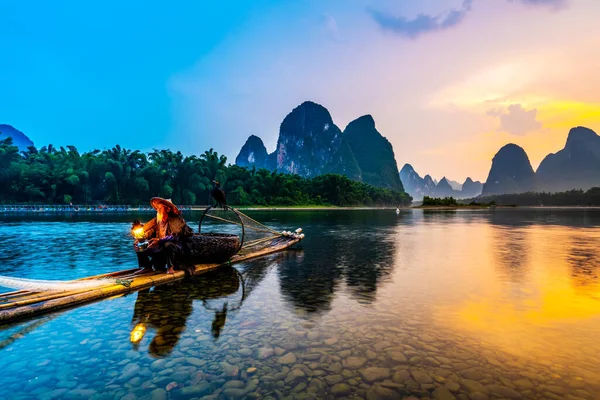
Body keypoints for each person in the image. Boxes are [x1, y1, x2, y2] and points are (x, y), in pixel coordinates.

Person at [133, 197, 193, 274]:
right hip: (160, 248)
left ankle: (170, 267)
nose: (158, 211)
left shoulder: (177, 220)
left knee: (167, 244)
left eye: (160, 209)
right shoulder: (157, 221)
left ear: (167, 209)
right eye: (157, 209)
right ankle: (147, 267)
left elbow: (175, 236)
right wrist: (140, 238)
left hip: (175, 249)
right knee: (140, 245)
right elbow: (147, 231)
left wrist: (159, 240)